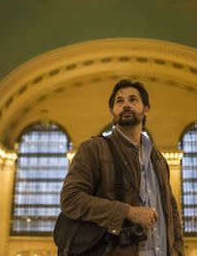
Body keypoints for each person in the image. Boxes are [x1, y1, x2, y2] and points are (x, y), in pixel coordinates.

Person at [60, 79, 184, 255]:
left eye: (133, 100)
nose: (126, 105)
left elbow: (171, 209)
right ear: (112, 110)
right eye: (120, 101)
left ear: (146, 108)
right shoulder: (94, 149)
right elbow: (70, 199)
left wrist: (178, 249)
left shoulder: (158, 159)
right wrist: (127, 212)